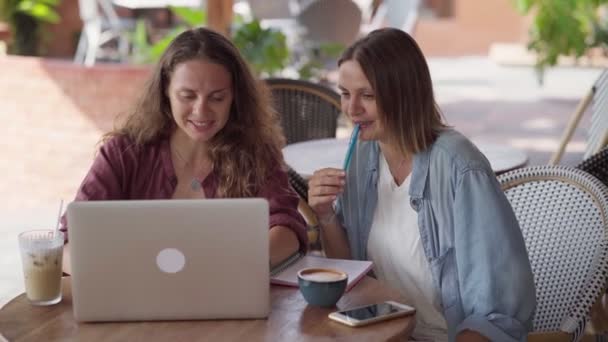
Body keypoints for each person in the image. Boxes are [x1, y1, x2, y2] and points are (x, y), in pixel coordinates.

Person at [308, 28, 535, 341]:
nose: (351, 109)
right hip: (385, 333)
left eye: (368, 95)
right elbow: (352, 272)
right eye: (345, 94)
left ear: (404, 94)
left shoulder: (459, 167)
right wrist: (325, 215)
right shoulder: (363, 153)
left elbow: (498, 315)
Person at [61, 27, 307, 274]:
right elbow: (69, 239)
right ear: (166, 91)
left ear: (235, 97)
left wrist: (242, 267)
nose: (201, 111)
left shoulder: (255, 153)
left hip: (227, 301)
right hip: (134, 301)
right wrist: (108, 273)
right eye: (187, 96)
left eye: (217, 98)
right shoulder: (124, 153)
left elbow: (287, 227)